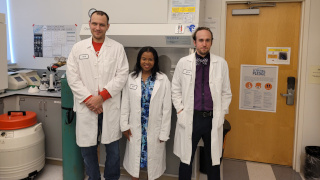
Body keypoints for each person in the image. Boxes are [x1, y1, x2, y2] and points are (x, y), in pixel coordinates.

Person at [66, 10, 129, 180]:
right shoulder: (78, 48)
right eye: (95, 24)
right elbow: (72, 76)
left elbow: (122, 75)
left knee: (113, 151)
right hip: (87, 108)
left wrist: (101, 97)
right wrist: (89, 99)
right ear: (89, 24)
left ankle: (111, 178)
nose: (98, 27)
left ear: (108, 26)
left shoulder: (117, 48)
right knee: (88, 151)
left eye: (102, 24)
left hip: (109, 106)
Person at [172, 27, 232, 180]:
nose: (204, 44)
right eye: (201, 40)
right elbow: (175, 89)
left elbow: (226, 92)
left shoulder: (221, 63)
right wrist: (180, 111)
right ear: (195, 42)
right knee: (186, 159)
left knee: (213, 160)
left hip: (212, 119)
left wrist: (222, 113)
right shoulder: (183, 63)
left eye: (207, 40)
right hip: (191, 117)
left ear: (211, 42)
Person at [121, 46, 172, 180]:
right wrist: (124, 126)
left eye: (150, 59)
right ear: (139, 60)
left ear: (155, 61)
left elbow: (167, 109)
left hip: (154, 128)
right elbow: (125, 103)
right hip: (135, 127)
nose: (147, 62)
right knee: (134, 163)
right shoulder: (131, 78)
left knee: (153, 164)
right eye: (144, 59)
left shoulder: (163, 79)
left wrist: (164, 132)